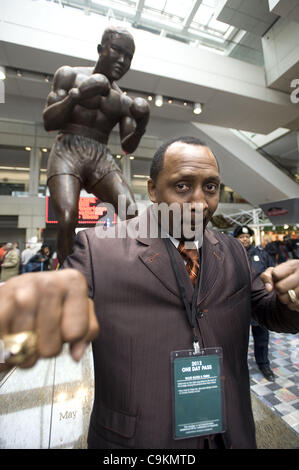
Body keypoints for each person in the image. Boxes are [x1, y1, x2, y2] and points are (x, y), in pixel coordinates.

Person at [0, 136, 299, 450]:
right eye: (182, 186)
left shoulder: (233, 250)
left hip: (229, 434)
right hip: (140, 439)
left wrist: (291, 299)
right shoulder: (99, 250)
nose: (199, 202)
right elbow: (53, 312)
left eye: (210, 187)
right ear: (153, 189)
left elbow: (269, 311)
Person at [43, 25, 150, 265]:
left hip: (101, 156)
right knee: (68, 216)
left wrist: (142, 126)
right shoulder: (69, 75)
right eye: (117, 51)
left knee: (131, 211)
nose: (122, 60)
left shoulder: (123, 100)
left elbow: (127, 147)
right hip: (67, 149)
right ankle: (68, 276)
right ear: (101, 49)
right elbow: (49, 122)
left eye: (129, 57)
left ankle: (129, 271)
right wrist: (77, 96)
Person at [233, 225, 276, 382]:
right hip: (237, 305)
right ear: (236, 238)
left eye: (247, 237)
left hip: (259, 303)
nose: (245, 239)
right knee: (238, 338)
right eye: (241, 237)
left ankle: (264, 364)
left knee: (262, 338)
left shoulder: (261, 253)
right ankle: (237, 368)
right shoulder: (230, 254)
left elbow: (272, 271)